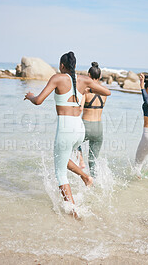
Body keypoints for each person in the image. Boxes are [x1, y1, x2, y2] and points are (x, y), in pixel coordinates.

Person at [24, 51, 111, 217]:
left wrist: (29, 96)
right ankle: (85, 177)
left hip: (66, 127)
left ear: (62, 65)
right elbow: (107, 92)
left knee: (59, 172)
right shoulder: (84, 79)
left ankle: (73, 209)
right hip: (79, 127)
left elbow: (38, 100)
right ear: (75, 66)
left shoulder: (58, 78)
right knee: (62, 160)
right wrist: (85, 89)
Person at [77, 62, 108, 177]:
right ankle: (94, 182)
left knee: (73, 143)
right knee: (93, 160)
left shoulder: (85, 90)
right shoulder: (104, 91)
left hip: (86, 125)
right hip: (98, 128)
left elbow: (80, 108)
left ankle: (80, 161)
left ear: (88, 75)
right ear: (99, 77)